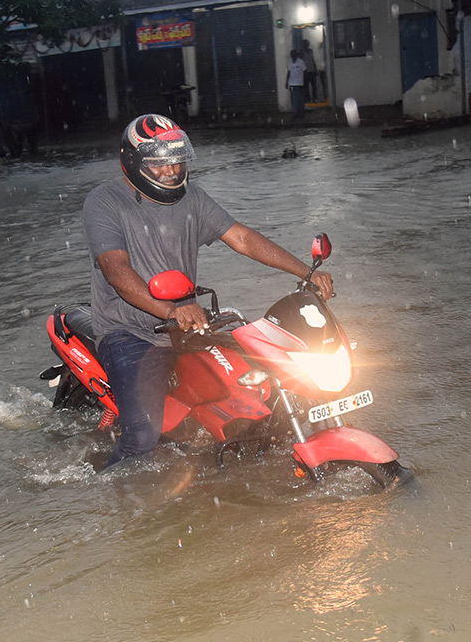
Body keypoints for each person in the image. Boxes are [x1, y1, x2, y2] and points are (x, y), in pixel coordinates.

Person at [82, 114, 333, 467]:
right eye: (159, 163)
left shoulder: (192, 199)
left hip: (188, 325)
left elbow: (242, 238)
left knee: (261, 391)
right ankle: (108, 498)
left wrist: (305, 271)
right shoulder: (105, 202)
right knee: (142, 435)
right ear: (135, 162)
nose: (171, 170)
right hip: (132, 332)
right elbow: (116, 270)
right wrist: (170, 310)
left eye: (176, 159)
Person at [286, 50, 306, 118]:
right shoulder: (290, 63)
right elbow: (288, 73)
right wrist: (286, 82)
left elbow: (305, 71)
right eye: (291, 54)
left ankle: (301, 113)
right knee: (294, 99)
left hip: (299, 83)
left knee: (299, 98)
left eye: (294, 54)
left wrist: (304, 81)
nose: (292, 56)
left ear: (296, 55)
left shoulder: (301, 62)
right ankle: (295, 113)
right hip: (292, 83)